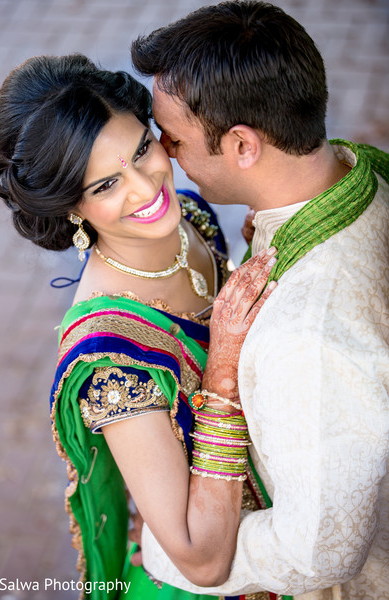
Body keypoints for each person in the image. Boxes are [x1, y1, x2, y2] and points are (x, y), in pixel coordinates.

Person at [0, 53, 278, 599]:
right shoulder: (110, 359)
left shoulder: (189, 217)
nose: (146, 190)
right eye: (104, 187)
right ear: (70, 208)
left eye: (142, 150)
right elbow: (200, 558)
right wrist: (218, 381)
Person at [131, 1, 389, 599]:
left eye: (174, 138)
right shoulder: (358, 170)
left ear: (243, 145)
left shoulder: (306, 335)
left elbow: (320, 549)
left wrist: (172, 558)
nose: (164, 156)